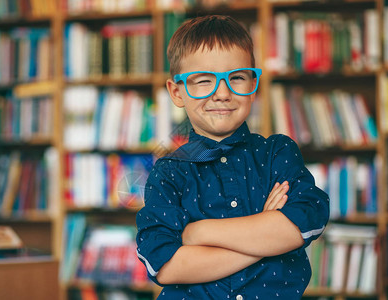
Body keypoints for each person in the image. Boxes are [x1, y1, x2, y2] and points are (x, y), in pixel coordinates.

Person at [136, 15, 330, 299]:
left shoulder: (277, 153)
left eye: (236, 77)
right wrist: (264, 235)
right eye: (203, 80)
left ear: (254, 85)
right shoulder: (168, 173)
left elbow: (305, 223)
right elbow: (165, 265)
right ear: (177, 92)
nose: (223, 93)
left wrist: (198, 233)